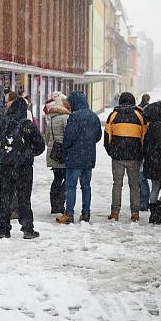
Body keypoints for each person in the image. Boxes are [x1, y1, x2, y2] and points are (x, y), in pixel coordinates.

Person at [0, 97, 45, 239]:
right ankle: (27, 229)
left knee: (5, 197)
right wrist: (29, 153)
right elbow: (40, 145)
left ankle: (3, 229)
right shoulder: (28, 125)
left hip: (6, 166)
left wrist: (2, 156)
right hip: (23, 167)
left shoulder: (3, 123)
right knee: (24, 198)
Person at [57, 90, 102, 224]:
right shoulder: (94, 116)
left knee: (71, 186)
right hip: (89, 157)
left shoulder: (74, 117)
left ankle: (69, 214)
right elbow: (98, 136)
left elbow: (68, 137)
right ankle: (86, 213)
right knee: (86, 186)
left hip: (74, 157)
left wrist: (65, 149)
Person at [104, 92, 146, 222]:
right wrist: (141, 152)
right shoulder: (140, 115)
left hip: (117, 157)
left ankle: (115, 212)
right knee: (134, 185)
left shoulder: (113, 115)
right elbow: (144, 137)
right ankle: (135, 213)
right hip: (134, 156)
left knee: (117, 184)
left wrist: (111, 151)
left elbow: (107, 137)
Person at [43, 92, 69, 215]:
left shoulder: (51, 119)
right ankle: (60, 203)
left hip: (53, 153)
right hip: (62, 153)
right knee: (67, 179)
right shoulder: (66, 118)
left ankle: (54, 204)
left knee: (57, 179)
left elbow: (47, 137)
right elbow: (68, 136)